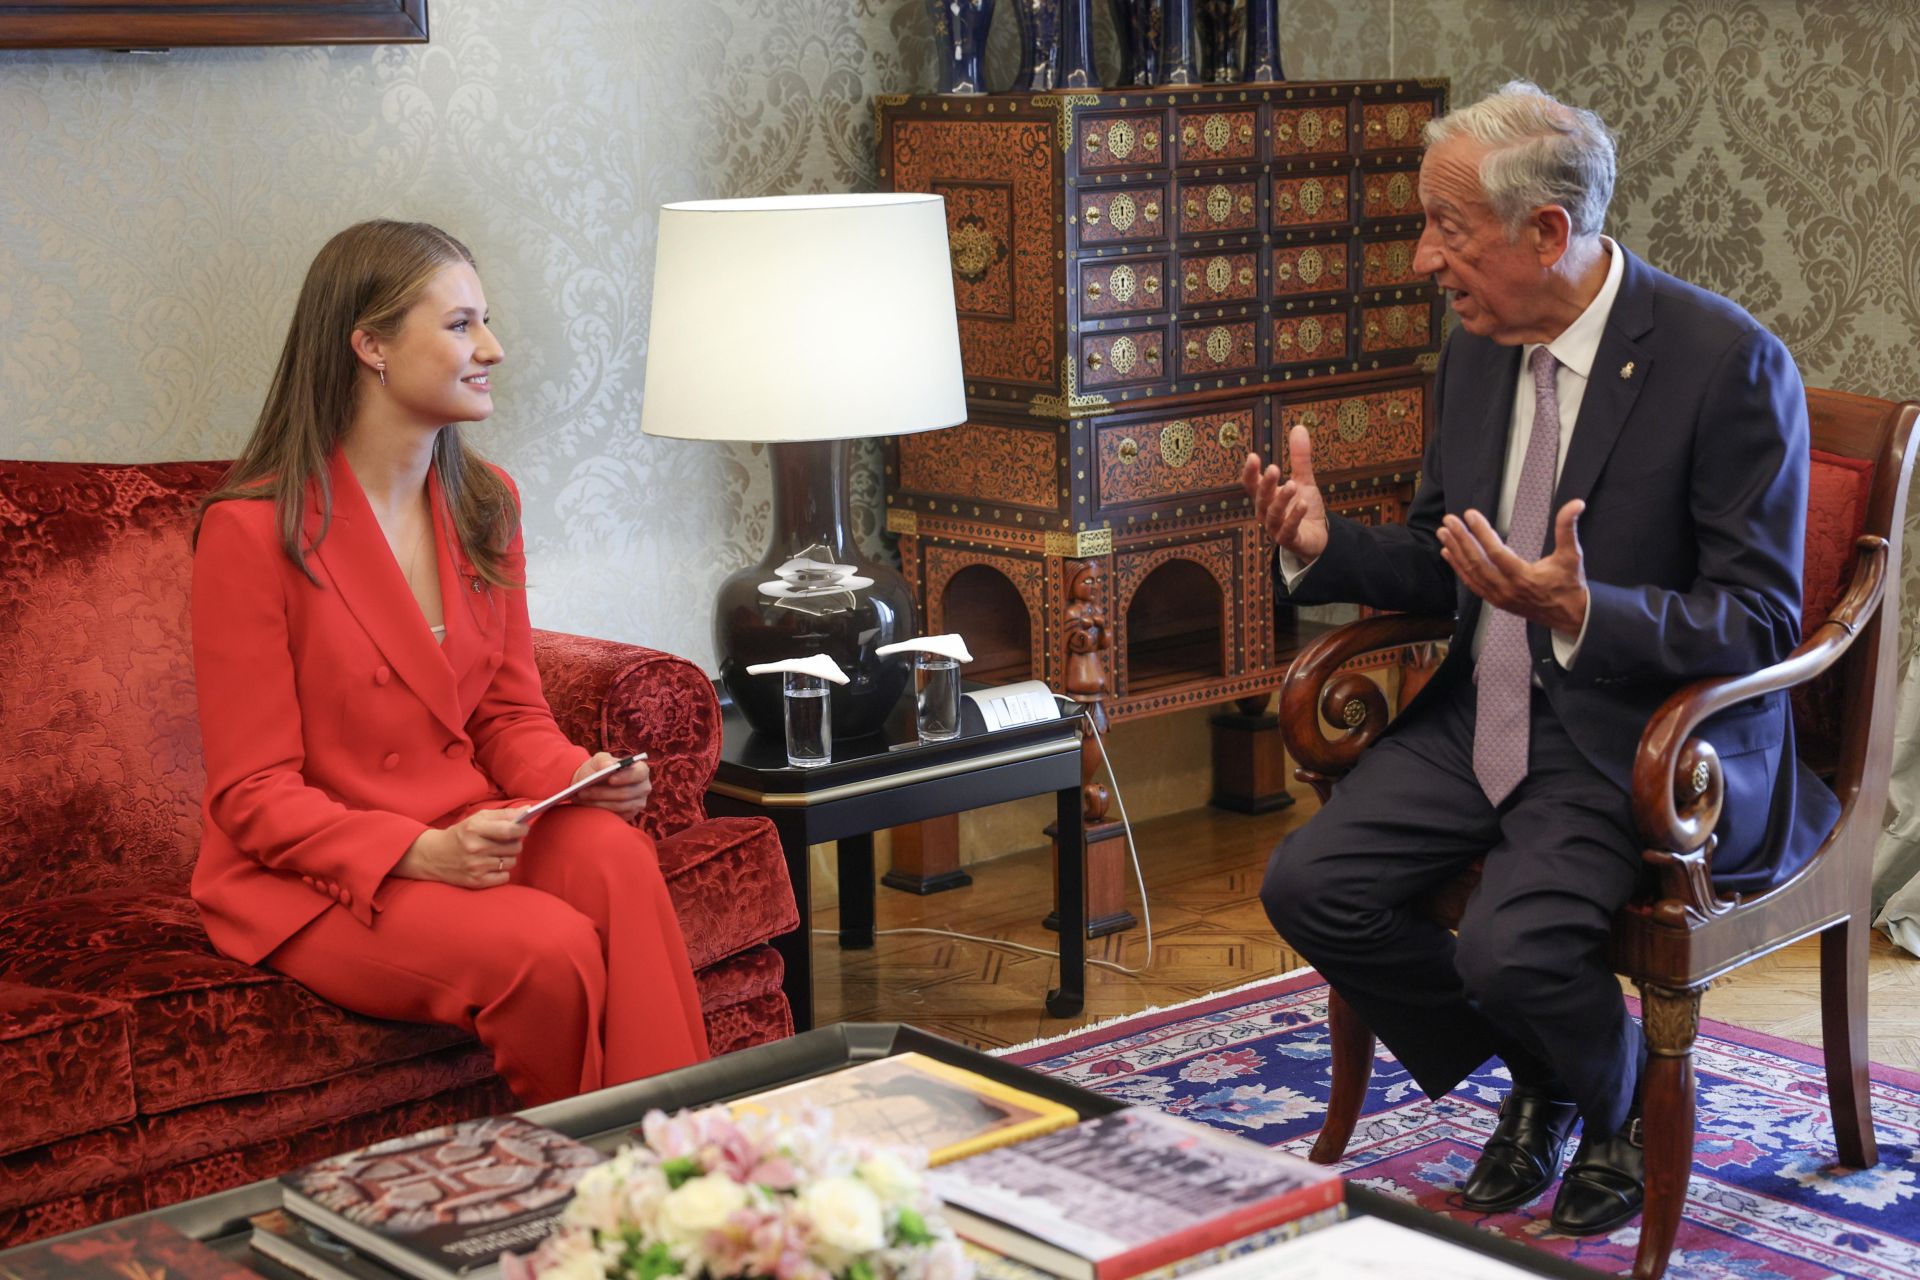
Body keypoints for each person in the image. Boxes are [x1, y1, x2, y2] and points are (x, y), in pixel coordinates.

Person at [1242, 83, 1837, 1235]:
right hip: (1488, 707)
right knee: (1310, 884)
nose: (1426, 258)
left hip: (1641, 738)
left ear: (1548, 232)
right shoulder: (1475, 351)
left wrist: (1584, 606)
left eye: (1448, 230)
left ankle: (1594, 1097)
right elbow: (1440, 553)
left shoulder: (1726, 365)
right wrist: (1325, 547)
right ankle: (1576, 1079)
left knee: (1512, 952)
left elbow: (1763, 621)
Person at [191, 219, 710, 1107]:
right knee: (547, 952)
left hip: (468, 823)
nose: (493, 349)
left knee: (617, 858)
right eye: (462, 324)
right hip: (313, 878)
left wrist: (576, 778)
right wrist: (420, 853)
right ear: (371, 346)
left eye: (485, 322)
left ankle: (690, 1173)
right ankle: (597, 1199)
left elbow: (506, 716)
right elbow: (252, 794)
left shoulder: (484, 501)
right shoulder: (251, 532)